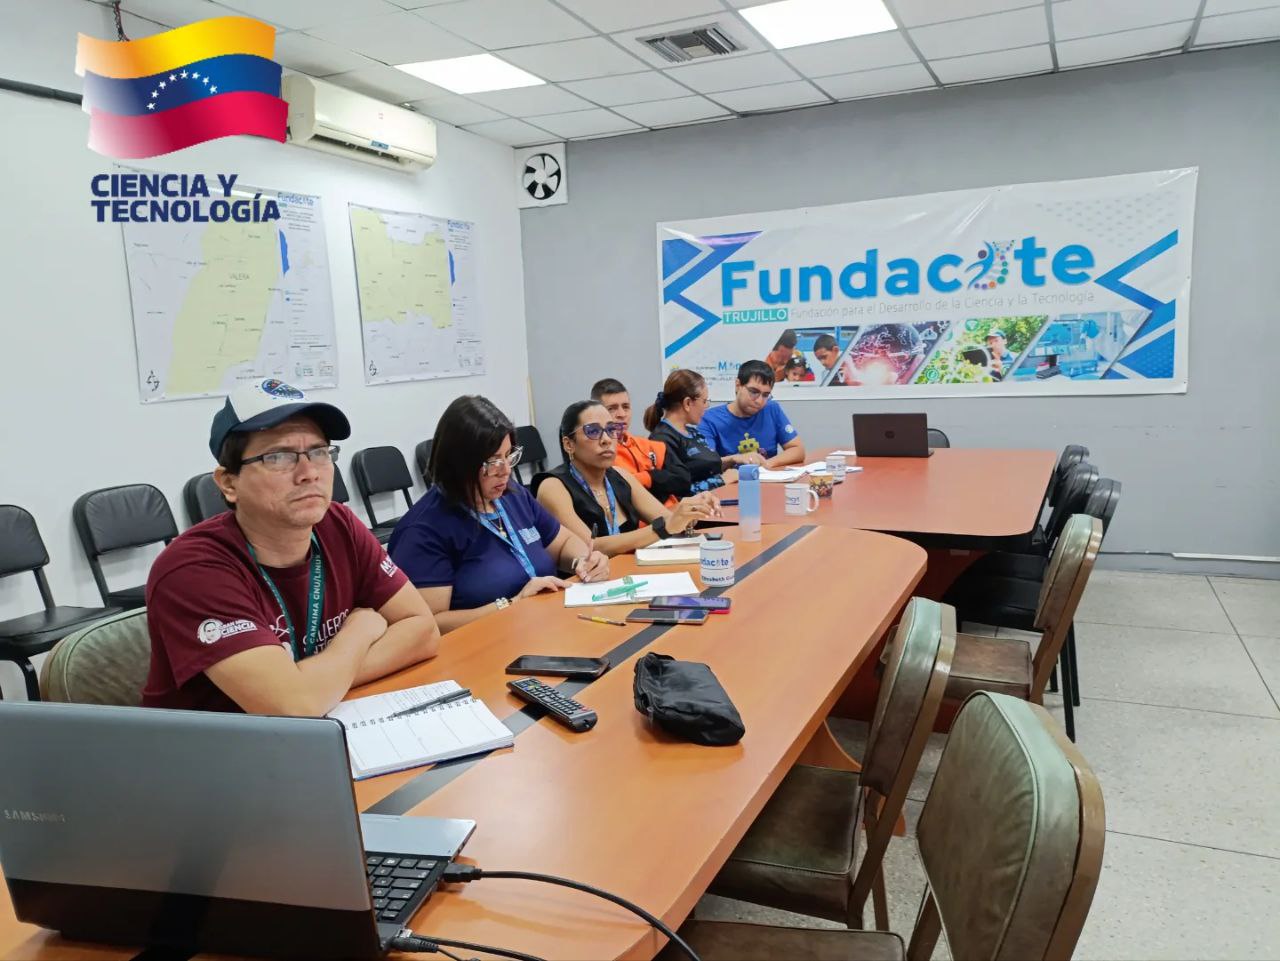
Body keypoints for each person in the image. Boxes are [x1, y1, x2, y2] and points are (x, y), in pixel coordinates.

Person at [143, 380, 441, 716]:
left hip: (325, 727)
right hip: (221, 747)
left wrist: (319, 683)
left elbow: (423, 630)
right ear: (229, 483)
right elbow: (293, 706)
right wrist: (359, 631)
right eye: (278, 457)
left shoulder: (338, 524)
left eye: (319, 452)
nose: (309, 473)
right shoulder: (192, 570)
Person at [389, 395, 609, 635]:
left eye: (508, 456)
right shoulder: (423, 530)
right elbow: (429, 625)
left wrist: (582, 562)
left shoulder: (512, 496)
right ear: (459, 463)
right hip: (483, 645)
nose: (505, 471)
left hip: (543, 629)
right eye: (493, 462)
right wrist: (512, 604)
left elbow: (563, 542)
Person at [537, 400, 721, 557]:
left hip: (628, 573)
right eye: (592, 431)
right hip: (584, 583)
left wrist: (693, 510)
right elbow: (590, 548)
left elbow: (669, 519)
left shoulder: (619, 475)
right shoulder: (553, 486)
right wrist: (664, 527)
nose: (606, 439)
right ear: (568, 444)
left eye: (611, 429)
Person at [589, 377, 689, 505]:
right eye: (612, 408)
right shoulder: (598, 453)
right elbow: (618, 489)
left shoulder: (650, 446)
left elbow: (683, 480)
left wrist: (647, 477)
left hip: (673, 512)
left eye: (626, 407)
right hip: (644, 518)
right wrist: (657, 477)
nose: (622, 414)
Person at [644, 369, 738, 496]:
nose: (706, 406)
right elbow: (675, 493)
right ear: (687, 403)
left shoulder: (693, 433)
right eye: (704, 401)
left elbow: (705, 467)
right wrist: (722, 480)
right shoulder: (661, 440)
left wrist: (733, 459)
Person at [699, 360, 806, 468]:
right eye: (754, 392)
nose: (759, 401)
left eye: (765, 395)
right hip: (733, 478)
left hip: (767, 476)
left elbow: (798, 450)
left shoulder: (772, 409)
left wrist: (766, 464)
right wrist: (733, 459)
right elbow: (705, 463)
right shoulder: (710, 419)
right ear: (738, 385)